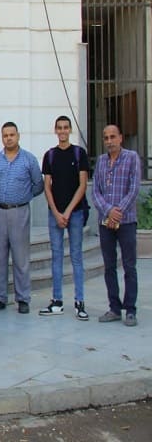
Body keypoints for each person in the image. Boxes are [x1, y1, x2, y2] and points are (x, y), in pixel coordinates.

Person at [0, 121, 43, 314]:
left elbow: (38, 184)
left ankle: (23, 298)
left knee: (20, 257)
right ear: (2, 137)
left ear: (18, 136)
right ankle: (0, 297)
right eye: (5, 135)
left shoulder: (29, 160)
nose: (8, 138)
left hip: (19, 212)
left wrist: (24, 197)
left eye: (11, 135)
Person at [40, 116, 90, 319]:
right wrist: (56, 212)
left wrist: (67, 212)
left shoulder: (79, 154)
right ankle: (57, 300)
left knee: (76, 257)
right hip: (55, 215)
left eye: (65, 128)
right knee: (56, 257)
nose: (62, 131)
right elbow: (47, 186)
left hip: (75, 214)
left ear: (70, 130)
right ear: (55, 130)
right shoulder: (49, 156)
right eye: (59, 128)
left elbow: (83, 185)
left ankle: (80, 302)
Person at [92, 124, 141, 327]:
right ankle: (114, 308)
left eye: (113, 136)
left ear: (121, 137)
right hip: (105, 223)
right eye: (106, 137)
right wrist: (108, 211)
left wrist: (117, 212)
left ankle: (130, 310)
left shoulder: (132, 158)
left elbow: (134, 188)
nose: (109, 141)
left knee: (129, 266)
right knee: (109, 266)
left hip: (126, 221)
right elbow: (95, 191)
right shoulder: (101, 162)